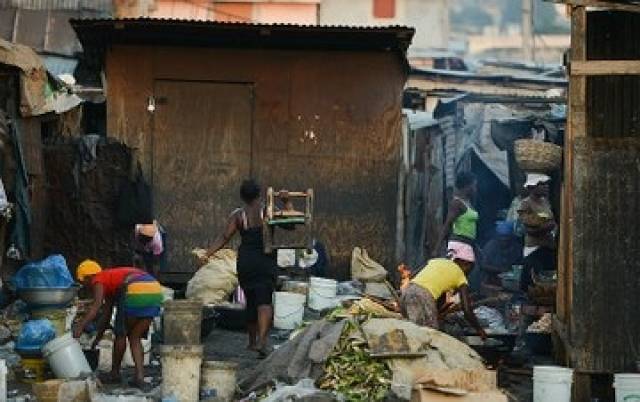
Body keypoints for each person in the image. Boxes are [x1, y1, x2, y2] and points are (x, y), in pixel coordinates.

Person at [201, 179, 279, 358]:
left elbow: (224, 237)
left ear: (242, 197)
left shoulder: (238, 215)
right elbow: (290, 223)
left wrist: (207, 253)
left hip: (246, 262)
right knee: (264, 301)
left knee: (251, 301)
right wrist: (286, 202)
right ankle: (262, 342)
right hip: (265, 260)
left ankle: (252, 342)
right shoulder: (268, 211)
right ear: (259, 194)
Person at [72, 260, 162, 389]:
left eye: (83, 282)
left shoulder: (98, 279)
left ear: (88, 277)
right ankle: (140, 378)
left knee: (121, 333)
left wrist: (80, 326)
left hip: (135, 288)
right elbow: (106, 315)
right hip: (154, 290)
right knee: (134, 337)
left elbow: (96, 306)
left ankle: (114, 374)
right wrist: (97, 339)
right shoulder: (110, 280)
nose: (85, 285)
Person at [400, 242, 486, 338]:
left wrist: (437, 312)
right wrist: (479, 329)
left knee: (412, 331)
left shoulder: (436, 261)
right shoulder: (460, 276)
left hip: (406, 293)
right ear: (466, 263)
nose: (469, 272)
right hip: (423, 296)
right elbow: (467, 309)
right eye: (470, 268)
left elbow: (413, 276)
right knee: (430, 336)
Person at [518, 174, 556, 292]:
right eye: (542, 184)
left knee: (548, 281)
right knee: (533, 282)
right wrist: (547, 226)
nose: (546, 187)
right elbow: (530, 229)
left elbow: (552, 221)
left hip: (548, 246)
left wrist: (547, 225)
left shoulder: (545, 202)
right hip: (534, 249)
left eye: (546, 184)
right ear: (533, 187)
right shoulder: (526, 204)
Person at [432, 172, 479, 258]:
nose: (475, 189)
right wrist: (436, 249)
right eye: (474, 185)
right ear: (467, 186)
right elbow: (447, 225)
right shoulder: (457, 203)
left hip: (467, 244)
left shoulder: (469, 202)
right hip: (458, 245)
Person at [480, 221, 523, 287]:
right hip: (490, 280)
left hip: (510, 281)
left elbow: (519, 263)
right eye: (501, 237)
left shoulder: (516, 247)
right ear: (497, 236)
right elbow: (483, 265)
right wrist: (501, 270)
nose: (504, 239)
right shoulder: (490, 246)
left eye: (506, 237)